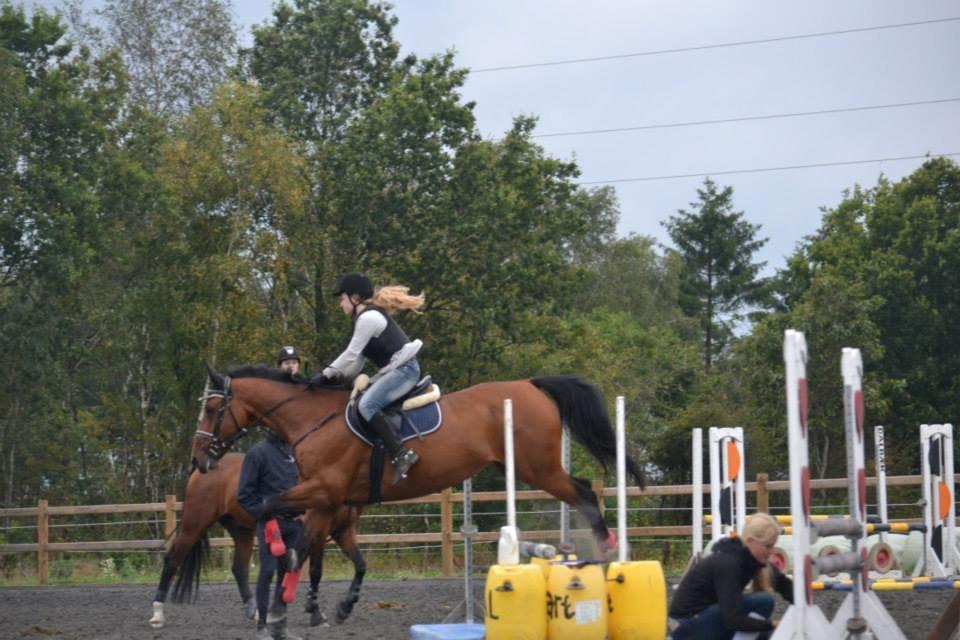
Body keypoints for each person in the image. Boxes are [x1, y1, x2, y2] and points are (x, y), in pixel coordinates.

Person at [320, 272, 424, 484]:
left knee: (366, 406)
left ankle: (402, 453)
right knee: (359, 400)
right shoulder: (366, 318)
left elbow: (350, 354)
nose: (341, 304)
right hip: (397, 370)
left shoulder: (368, 318)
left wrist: (327, 373)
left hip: (404, 371)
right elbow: (357, 361)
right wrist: (337, 378)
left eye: (342, 299)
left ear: (355, 298)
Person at [668, 512, 793, 640]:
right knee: (764, 601)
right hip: (684, 626)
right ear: (750, 541)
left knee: (762, 635)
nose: (772, 552)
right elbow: (732, 619)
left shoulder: (751, 558)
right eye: (768, 546)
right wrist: (772, 624)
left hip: (701, 618)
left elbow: (783, 584)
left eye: (773, 546)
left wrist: (803, 603)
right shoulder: (729, 564)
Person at [238, 425, 304, 639]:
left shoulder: (294, 452)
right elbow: (245, 495)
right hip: (270, 525)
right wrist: (265, 515)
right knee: (267, 572)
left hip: (295, 525)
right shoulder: (257, 454)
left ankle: (280, 627)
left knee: (289, 575)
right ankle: (262, 627)